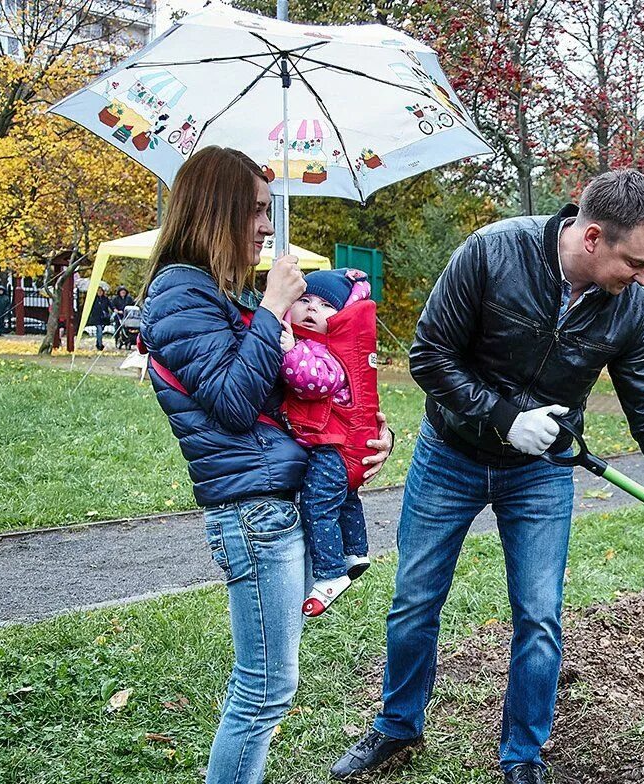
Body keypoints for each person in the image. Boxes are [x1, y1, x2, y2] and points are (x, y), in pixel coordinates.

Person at [329, 169, 644, 784]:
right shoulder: (493, 251)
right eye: (635, 262)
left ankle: (522, 759)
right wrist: (504, 416)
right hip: (451, 455)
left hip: (542, 473)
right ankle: (397, 729)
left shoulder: (631, 307)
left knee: (540, 616)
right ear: (593, 237)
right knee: (416, 599)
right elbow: (428, 355)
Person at [139, 146, 394, 784]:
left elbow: (279, 397)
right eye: (254, 209)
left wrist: (357, 440)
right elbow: (231, 402)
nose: (265, 225)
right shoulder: (178, 293)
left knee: (269, 690)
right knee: (263, 692)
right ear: (218, 210)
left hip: (275, 502)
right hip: (252, 514)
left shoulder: (218, 295)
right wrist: (274, 309)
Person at [279, 268, 381, 617]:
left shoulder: (324, 351)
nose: (311, 309)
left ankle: (330, 573)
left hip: (333, 448)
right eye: (304, 300)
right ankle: (355, 550)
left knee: (317, 504)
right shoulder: (321, 345)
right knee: (345, 499)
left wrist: (290, 352)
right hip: (342, 447)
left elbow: (314, 381)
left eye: (324, 305)